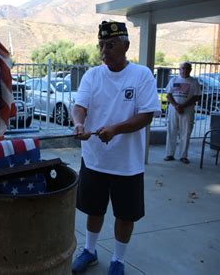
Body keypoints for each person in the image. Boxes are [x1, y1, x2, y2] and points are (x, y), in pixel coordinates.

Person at [71, 21, 161, 275]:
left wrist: (115, 129)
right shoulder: (92, 75)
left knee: (125, 215)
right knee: (93, 209)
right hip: (95, 159)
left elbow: (146, 116)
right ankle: (89, 250)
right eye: (101, 45)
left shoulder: (141, 75)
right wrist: (79, 124)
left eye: (110, 45)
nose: (104, 50)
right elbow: (80, 107)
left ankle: (118, 261)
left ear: (126, 45)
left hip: (127, 164)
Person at [163, 62, 201, 164]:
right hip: (173, 110)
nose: (184, 70)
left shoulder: (194, 82)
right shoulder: (174, 80)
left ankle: (183, 156)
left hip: (187, 110)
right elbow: (168, 95)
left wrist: (183, 106)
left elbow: (196, 97)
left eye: (187, 69)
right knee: (171, 130)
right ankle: (169, 154)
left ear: (190, 70)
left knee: (186, 132)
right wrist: (176, 106)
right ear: (179, 69)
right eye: (182, 68)